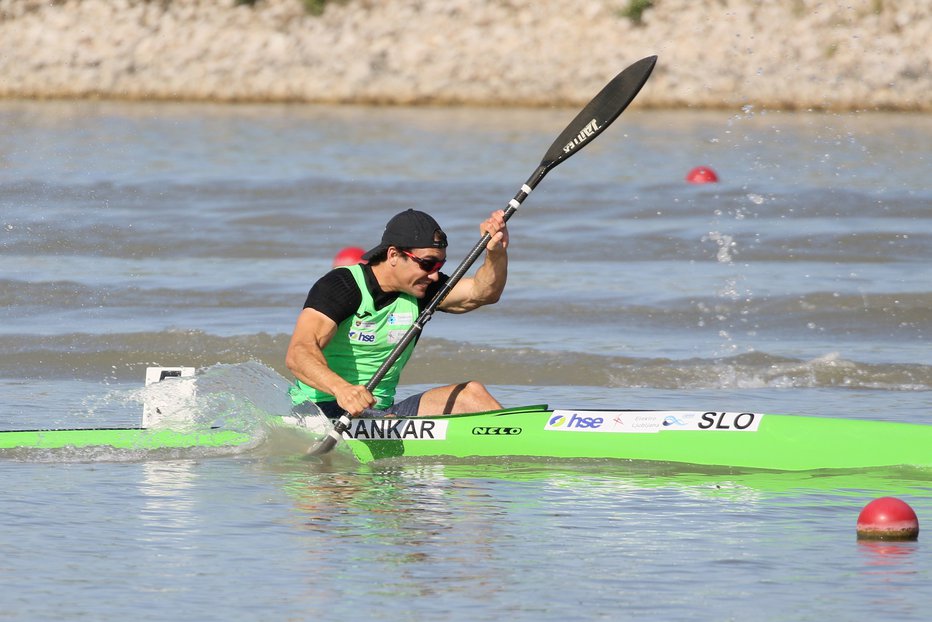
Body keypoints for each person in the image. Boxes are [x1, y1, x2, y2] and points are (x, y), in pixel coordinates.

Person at [286, 208, 508, 419]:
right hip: (318, 410)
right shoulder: (342, 286)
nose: (433, 275)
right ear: (393, 254)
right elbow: (299, 353)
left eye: (439, 265)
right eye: (427, 263)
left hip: (380, 411)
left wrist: (496, 252)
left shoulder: (422, 288)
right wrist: (342, 389)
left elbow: (483, 293)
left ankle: (523, 435)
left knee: (472, 394)